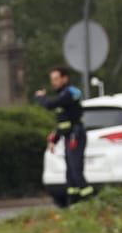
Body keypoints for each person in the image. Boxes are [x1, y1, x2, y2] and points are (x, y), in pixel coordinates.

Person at [34, 65, 92, 205]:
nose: (53, 82)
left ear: (65, 78)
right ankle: (73, 204)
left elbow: (50, 104)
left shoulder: (71, 92)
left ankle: (90, 202)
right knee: (70, 173)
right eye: (52, 79)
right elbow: (63, 124)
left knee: (76, 171)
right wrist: (54, 139)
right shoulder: (62, 95)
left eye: (56, 79)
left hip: (75, 136)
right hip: (68, 136)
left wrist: (40, 98)